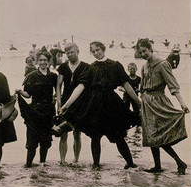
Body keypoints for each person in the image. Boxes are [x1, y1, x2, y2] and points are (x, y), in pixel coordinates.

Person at [59, 41, 141, 170]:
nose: (96, 53)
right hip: (94, 104)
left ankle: (130, 163)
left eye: (98, 50)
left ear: (103, 49)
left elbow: (126, 84)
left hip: (112, 104)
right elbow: (81, 86)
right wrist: (67, 105)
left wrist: (138, 102)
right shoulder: (90, 68)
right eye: (93, 51)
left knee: (118, 135)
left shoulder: (115, 65)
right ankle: (96, 164)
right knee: (95, 135)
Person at [136, 39, 190, 174]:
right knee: (150, 135)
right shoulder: (144, 66)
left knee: (159, 136)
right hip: (147, 103)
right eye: (140, 52)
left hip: (159, 103)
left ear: (151, 49)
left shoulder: (162, 64)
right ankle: (157, 166)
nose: (143, 54)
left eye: (145, 51)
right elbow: (141, 87)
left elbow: (173, 85)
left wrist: (182, 103)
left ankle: (180, 162)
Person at [16, 48, 57, 168]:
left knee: (45, 140)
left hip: (48, 111)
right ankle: (28, 164)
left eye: (45, 60)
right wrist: (20, 92)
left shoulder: (53, 76)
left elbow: (58, 91)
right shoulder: (32, 76)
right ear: (37, 61)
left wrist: (55, 99)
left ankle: (42, 163)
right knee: (32, 140)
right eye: (40, 60)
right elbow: (28, 95)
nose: (43, 62)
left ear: (49, 61)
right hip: (34, 111)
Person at [56, 43, 89, 165]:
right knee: (62, 132)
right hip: (64, 101)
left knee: (77, 133)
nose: (69, 54)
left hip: (79, 103)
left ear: (78, 51)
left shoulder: (85, 67)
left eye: (72, 52)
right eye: (67, 52)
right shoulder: (63, 67)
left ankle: (76, 160)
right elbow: (58, 86)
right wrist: (59, 103)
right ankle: (63, 160)